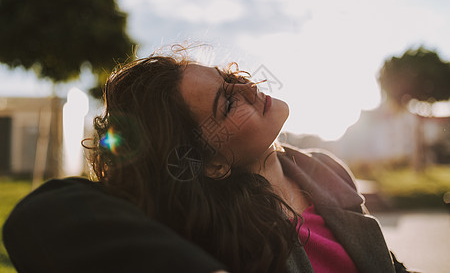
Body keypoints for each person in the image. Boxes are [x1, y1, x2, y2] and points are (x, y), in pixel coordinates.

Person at [3, 46, 414, 273]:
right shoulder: (207, 232)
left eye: (230, 77)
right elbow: (36, 218)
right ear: (212, 164)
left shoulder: (321, 167)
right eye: (228, 101)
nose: (249, 86)